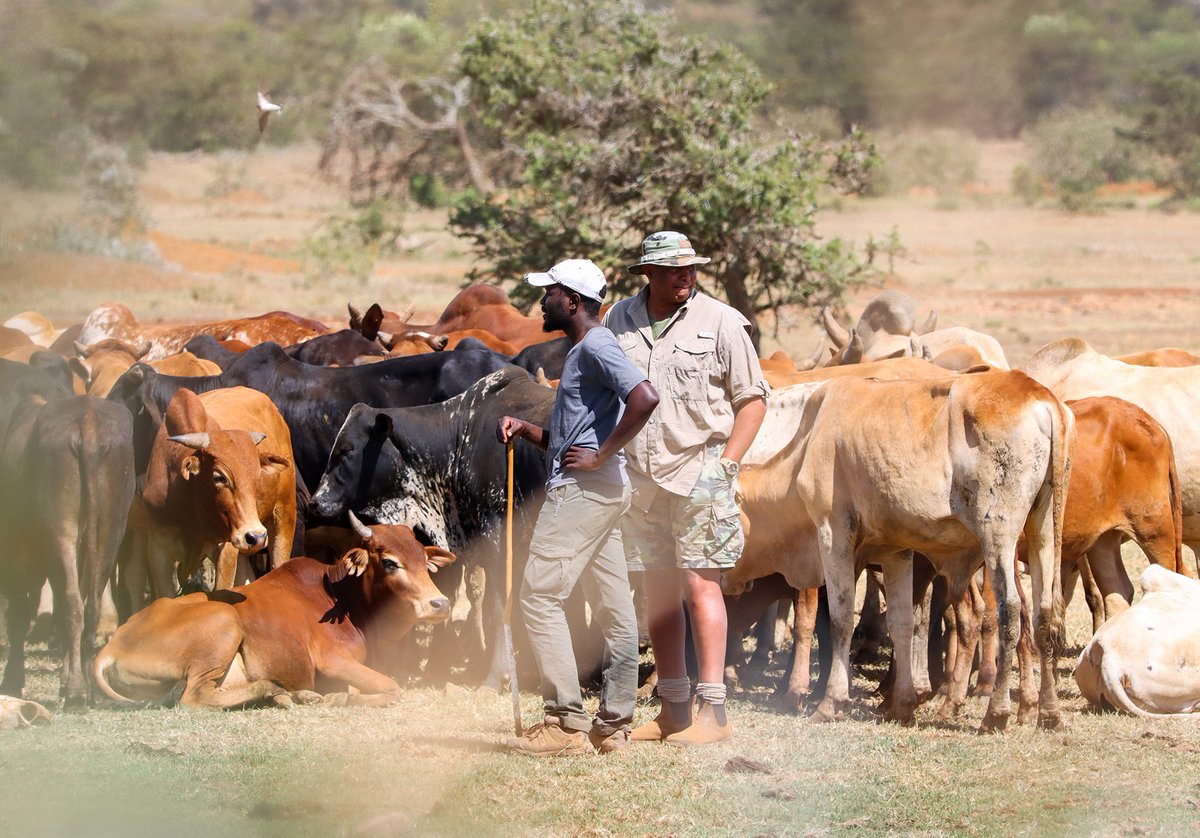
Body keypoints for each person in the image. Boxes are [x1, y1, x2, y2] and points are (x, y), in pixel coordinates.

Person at [603, 231, 769, 747]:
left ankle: (714, 713)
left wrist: (727, 464)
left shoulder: (721, 321)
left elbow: (752, 399)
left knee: (701, 585)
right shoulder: (618, 320)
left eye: (690, 268)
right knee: (656, 591)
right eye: (673, 269)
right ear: (648, 273)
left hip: (700, 471)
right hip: (641, 479)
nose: (685, 276)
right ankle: (674, 709)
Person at [497, 258, 660, 756]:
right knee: (614, 608)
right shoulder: (585, 349)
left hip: (583, 493)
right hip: (602, 492)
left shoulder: (595, 345)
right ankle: (614, 726)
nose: (541, 301)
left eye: (549, 293)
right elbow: (573, 441)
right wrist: (529, 431)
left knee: (538, 596)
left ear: (571, 301)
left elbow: (645, 397)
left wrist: (600, 456)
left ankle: (565, 724)